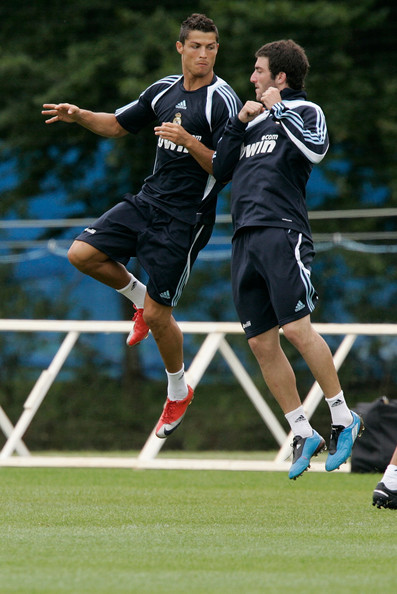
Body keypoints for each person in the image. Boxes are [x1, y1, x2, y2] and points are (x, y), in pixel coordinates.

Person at [42, 14, 241, 439]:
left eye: (211, 47)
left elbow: (226, 169)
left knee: (159, 313)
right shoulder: (163, 90)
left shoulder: (222, 101)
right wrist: (79, 116)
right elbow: (116, 124)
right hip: (148, 201)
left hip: (185, 220)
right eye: (196, 46)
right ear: (180, 48)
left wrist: (190, 142)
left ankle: (177, 390)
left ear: (217, 51)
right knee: (82, 254)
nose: (203, 54)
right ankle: (137, 297)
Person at [212, 39, 364, 480]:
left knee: (297, 327)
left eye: (259, 71)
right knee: (261, 340)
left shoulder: (305, 111)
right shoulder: (253, 122)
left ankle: (342, 417)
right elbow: (221, 171)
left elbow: (316, 150)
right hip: (244, 236)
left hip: (283, 231)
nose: (253, 78)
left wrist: (279, 110)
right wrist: (239, 124)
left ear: (280, 77)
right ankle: (302, 430)